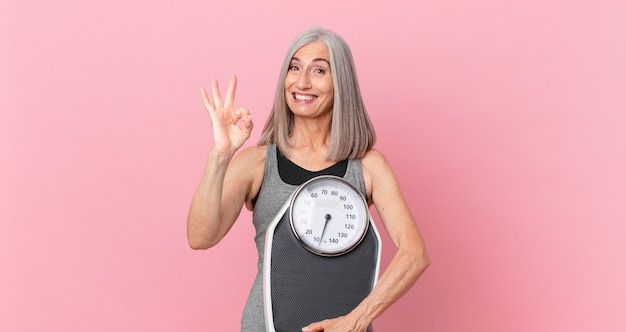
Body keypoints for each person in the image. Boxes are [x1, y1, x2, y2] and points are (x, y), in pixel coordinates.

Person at [187, 27, 430, 332]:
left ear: (340, 82)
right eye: (294, 67)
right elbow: (200, 237)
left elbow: (415, 254)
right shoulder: (257, 163)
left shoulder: (368, 166)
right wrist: (221, 154)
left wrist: (355, 320)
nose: (302, 82)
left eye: (318, 70)